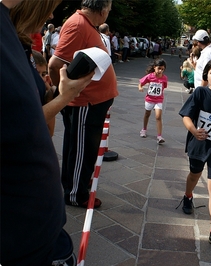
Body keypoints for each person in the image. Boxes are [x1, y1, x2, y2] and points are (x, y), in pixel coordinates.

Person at [1, 0, 93, 264]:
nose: (52, 13)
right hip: (22, 237)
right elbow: (25, 120)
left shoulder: (18, 41)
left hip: (42, 226)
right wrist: (67, 96)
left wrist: (54, 91)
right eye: (50, 4)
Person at [49, 0, 118, 208]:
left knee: (83, 146)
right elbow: (55, 64)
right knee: (81, 148)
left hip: (92, 101)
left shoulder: (86, 24)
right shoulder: (78, 24)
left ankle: (77, 182)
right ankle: (75, 194)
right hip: (84, 102)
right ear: (104, 11)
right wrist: (61, 92)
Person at [178, 57, 211, 249]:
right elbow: (186, 116)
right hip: (198, 144)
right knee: (195, 174)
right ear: (206, 75)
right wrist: (194, 131)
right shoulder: (200, 92)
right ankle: (188, 195)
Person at [138, 59, 168, 144]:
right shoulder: (149, 76)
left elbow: (164, 87)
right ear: (154, 67)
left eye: (162, 69)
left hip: (158, 100)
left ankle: (159, 136)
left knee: (158, 117)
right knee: (147, 114)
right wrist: (140, 87)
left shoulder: (164, 78)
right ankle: (144, 129)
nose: (160, 71)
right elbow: (141, 82)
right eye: (159, 68)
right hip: (149, 99)